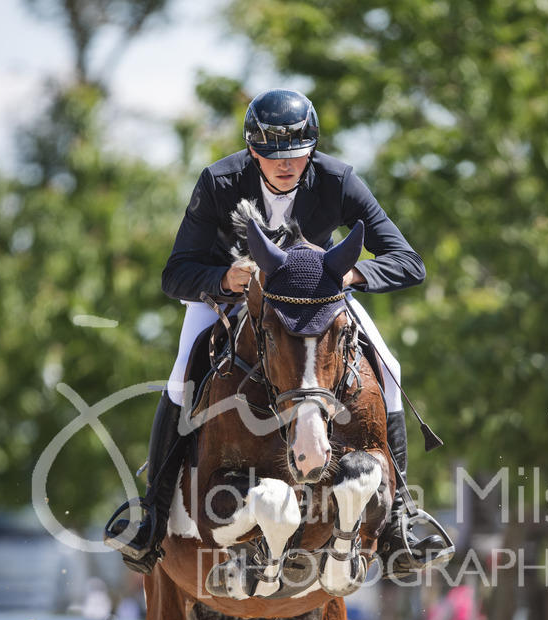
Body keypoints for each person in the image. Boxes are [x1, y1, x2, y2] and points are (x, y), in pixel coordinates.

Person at [105, 88, 439, 577]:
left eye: (298, 154)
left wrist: (349, 275)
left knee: (389, 367)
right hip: (231, 298)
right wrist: (224, 278)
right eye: (272, 155)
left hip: (315, 302)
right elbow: (175, 273)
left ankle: (400, 518)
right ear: (252, 150)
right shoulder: (219, 181)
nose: (286, 165)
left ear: (313, 148)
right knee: (181, 376)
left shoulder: (337, 179)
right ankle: (152, 514)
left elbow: (408, 262)